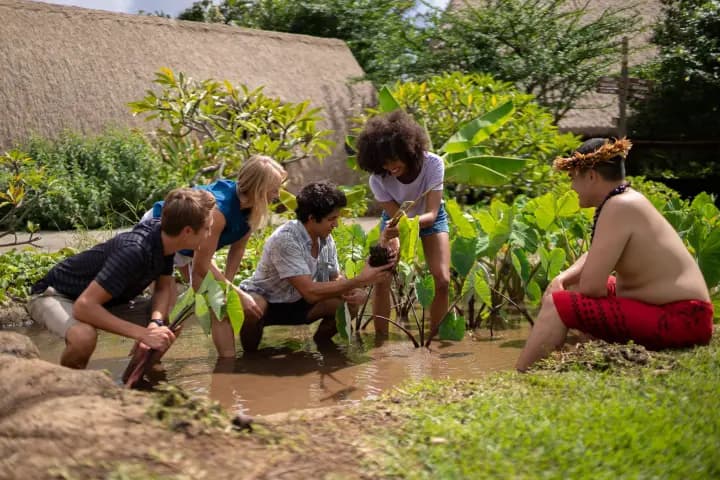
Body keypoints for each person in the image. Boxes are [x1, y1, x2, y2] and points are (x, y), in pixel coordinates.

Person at [516, 138, 714, 371]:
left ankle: (521, 375)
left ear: (591, 176)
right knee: (569, 288)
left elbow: (592, 288)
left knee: (559, 303)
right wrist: (562, 278)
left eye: (573, 178)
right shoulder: (624, 200)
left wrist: (568, 289)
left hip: (683, 319)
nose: (572, 188)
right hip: (683, 314)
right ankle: (591, 359)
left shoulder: (620, 206)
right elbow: (596, 253)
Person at [28, 188, 216, 369]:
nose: (209, 235)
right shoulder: (133, 251)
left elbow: (162, 288)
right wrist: (143, 334)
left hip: (101, 300)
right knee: (84, 336)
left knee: (168, 327)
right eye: (207, 228)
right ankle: (69, 388)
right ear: (188, 232)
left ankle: (134, 379)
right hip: (56, 295)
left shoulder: (165, 239)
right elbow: (83, 307)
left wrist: (155, 323)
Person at [142, 155, 287, 356]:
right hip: (163, 234)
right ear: (259, 188)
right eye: (274, 189)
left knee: (220, 306)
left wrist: (226, 286)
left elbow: (238, 249)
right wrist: (239, 293)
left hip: (190, 249)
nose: (277, 194)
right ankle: (145, 361)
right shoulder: (219, 212)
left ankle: (227, 368)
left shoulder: (252, 208)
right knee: (169, 310)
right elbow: (201, 266)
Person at [237, 181, 394, 352]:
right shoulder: (286, 239)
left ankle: (323, 346)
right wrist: (359, 280)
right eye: (331, 219)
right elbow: (310, 292)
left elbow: (335, 277)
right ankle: (250, 358)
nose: (336, 225)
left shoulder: (325, 238)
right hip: (268, 301)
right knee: (254, 307)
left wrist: (353, 292)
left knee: (348, 304)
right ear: (312, 218)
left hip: (299, 302)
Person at [356, 110, 450, 343]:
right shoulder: (378, 179)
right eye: (383, 163)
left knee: (442, 280)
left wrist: (407, 226)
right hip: (395, 221)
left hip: (430, 220)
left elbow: (432, 213)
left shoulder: (433, 164)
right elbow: (396, 215)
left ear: (409, 149)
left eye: (393, 159)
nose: (390, 167)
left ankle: (435, 341)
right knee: (382, 278)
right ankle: (381, 343)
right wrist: (393, 236)